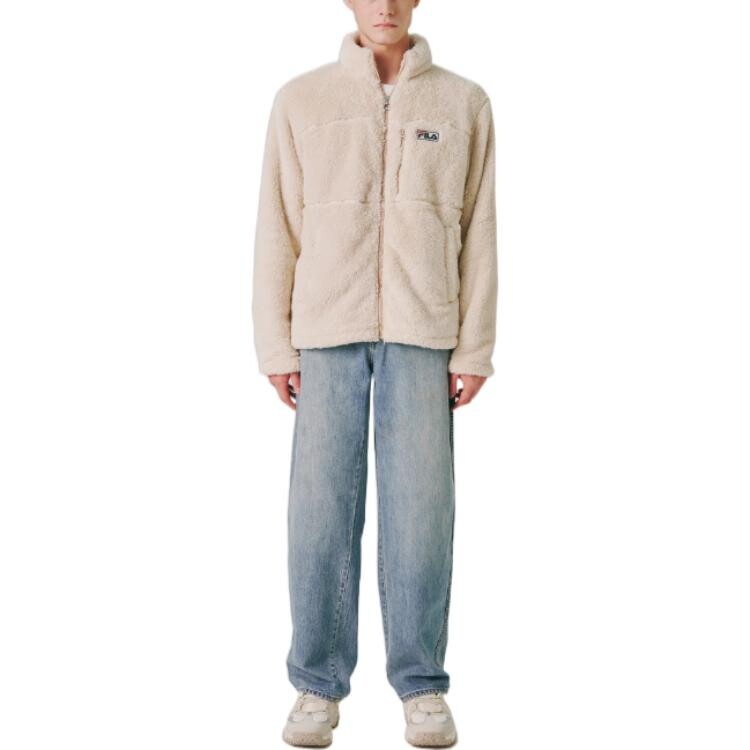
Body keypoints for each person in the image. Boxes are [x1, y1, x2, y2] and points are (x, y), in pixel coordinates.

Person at [251, 1, 497, 746]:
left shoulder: (463, 103)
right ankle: (316, 684)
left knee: (422, 515)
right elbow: (277, 228)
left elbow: (480, 232)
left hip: (425, 332)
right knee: (319, 513)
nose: (384, 6)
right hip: (325, 333)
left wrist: (473, 347)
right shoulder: (301, 99)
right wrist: (276, 345)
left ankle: (422, 685)